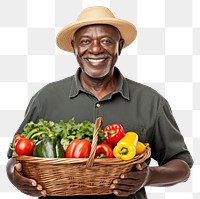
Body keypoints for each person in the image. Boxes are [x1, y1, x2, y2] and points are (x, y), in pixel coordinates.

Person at [6, 6, 193, 199]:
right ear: (74, 46)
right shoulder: (45, 98)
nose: (95, 49)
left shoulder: (150, 101)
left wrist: (149, 176)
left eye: (106, 41)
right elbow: (15, 157)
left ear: (119, 45)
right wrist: (14, 176)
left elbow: (182, 166)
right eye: (86, 41)